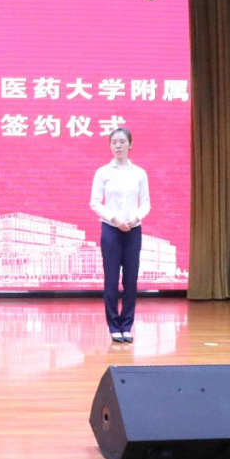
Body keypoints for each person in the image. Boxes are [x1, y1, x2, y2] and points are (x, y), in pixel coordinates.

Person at [90, 127, 150, 344]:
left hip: (133, 230)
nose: (118, 145)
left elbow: (146, 202)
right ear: (110, 145)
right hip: (111, 230)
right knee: (112, 279)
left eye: (122, 141)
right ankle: (114, 325)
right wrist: (114, 218)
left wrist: (135, 218)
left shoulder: (139, 173)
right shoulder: (103, 172)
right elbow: (95, 202)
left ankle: (127, 325)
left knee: (131, 280)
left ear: (130, 145)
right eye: (114, 142)